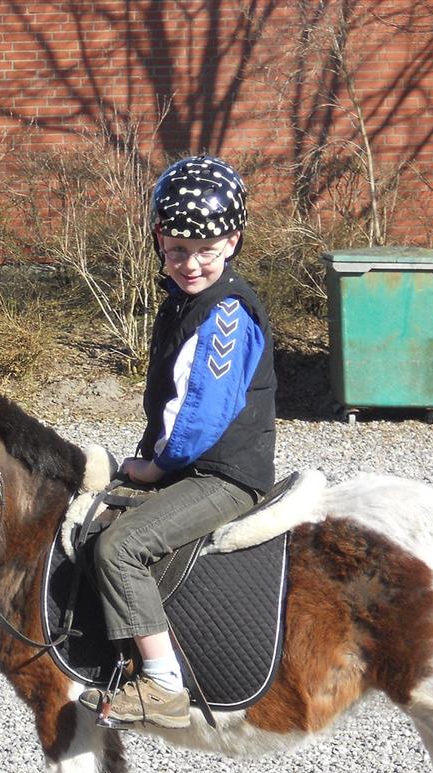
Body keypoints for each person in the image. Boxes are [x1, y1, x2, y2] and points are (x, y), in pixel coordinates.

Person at [78, 155, 277, 729]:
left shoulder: (226, 312)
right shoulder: (182, 301)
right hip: (197, 466)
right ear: (159, 240)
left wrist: (157, 468)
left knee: (120, 546)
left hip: (225, 474)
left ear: (232, 241)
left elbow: (199, 416)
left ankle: (163, 684)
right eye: (177, 250)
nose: (190, 263)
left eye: (205, 250)